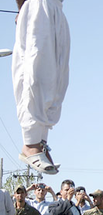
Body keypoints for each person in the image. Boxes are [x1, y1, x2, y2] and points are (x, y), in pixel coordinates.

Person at [12, 0, 70, 176]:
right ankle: (30, 144)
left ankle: (41, 142)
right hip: (37, 4)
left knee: (58, 80)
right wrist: (23, 8)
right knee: (36, 74)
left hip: (57, 8)